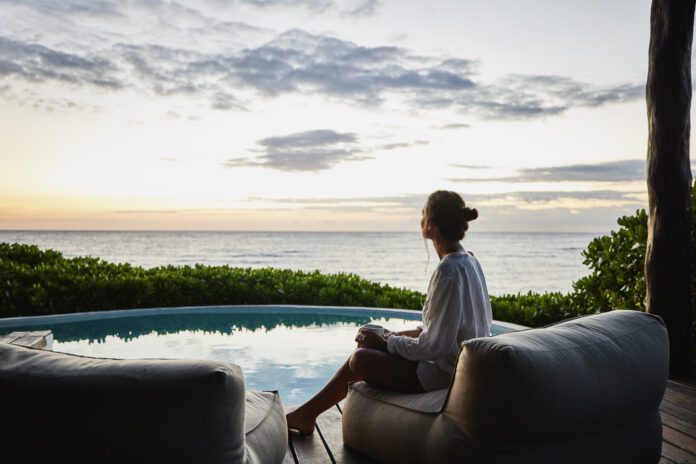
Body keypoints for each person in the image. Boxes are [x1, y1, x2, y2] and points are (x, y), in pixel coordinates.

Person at [286, 190, 493, 435]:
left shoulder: (448, 270)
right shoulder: (469, 261)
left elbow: (433, 347)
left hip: (443, 375)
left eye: (423, 215)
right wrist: (388, 335)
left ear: (431, 225)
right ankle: (307, 414)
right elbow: (442, 330)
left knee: (359, 359)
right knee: (369, 345)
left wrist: (387, 343)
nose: (421, 220)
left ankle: (306, 414)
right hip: (452, 365)